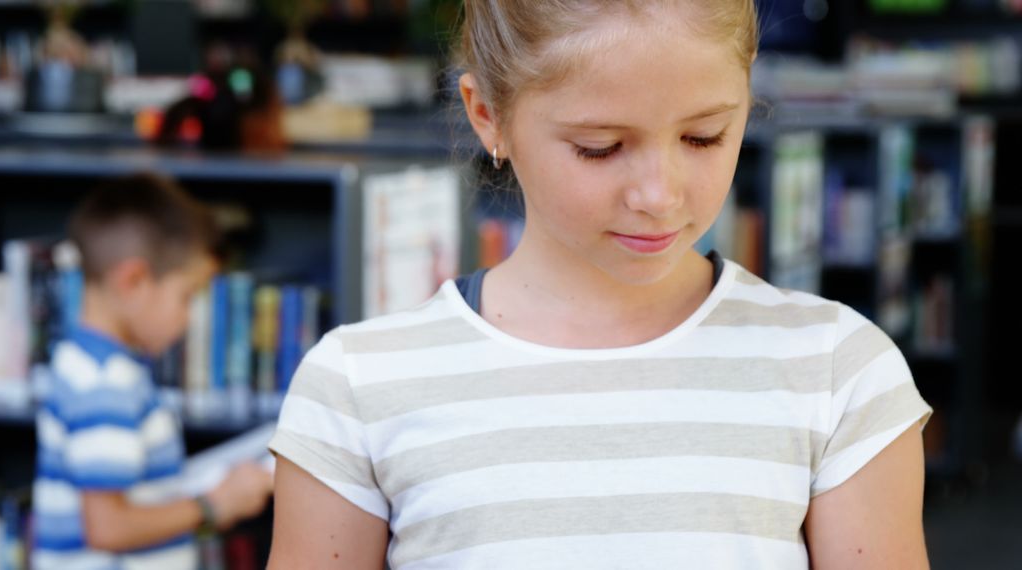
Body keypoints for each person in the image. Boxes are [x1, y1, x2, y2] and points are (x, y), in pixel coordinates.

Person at [267, 1, 933, 568]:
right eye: (600, 147)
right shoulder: (356, 389)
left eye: (705, 136)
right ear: (487, 114)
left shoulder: (838, 372)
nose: (660, 195)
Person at [32, 173, 273, 570]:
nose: (190, 317)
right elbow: (108, 528)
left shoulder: (86, 363)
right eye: (187, 296)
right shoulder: (105, 384)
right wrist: (214, 504)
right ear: (134, 281)